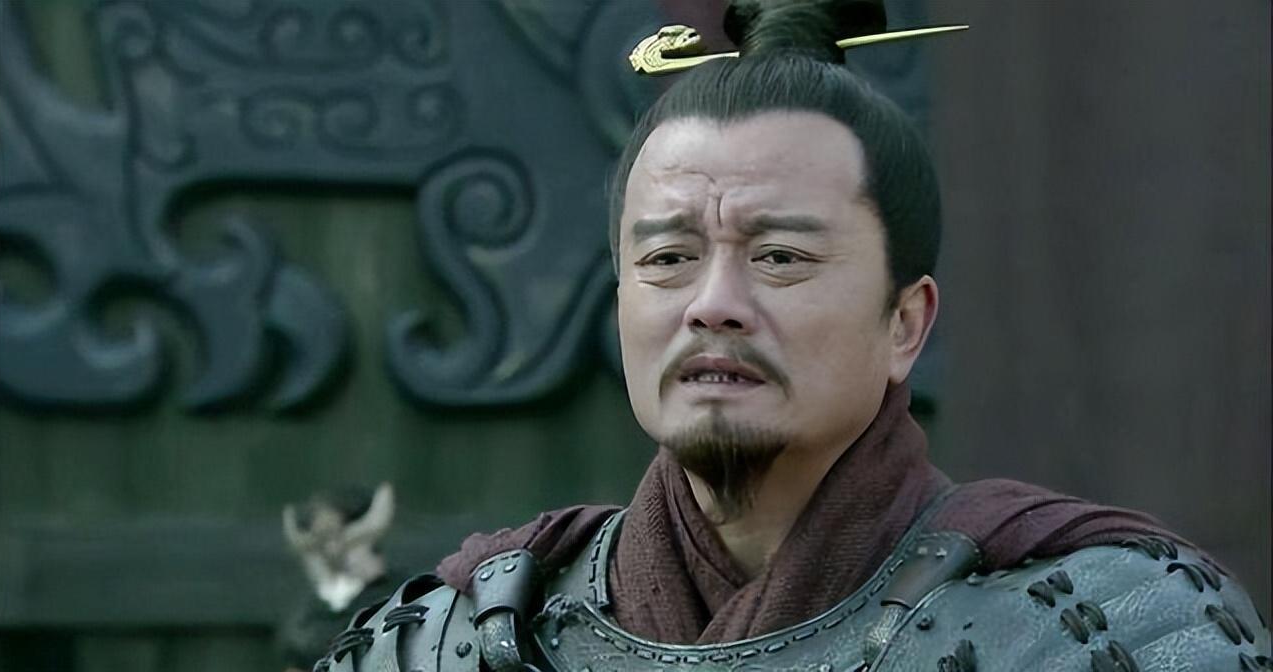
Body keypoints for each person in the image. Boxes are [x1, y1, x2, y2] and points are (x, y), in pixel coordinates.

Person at [313, 1, 1271, 670]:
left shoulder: (1106, 629)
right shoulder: (464, 638)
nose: (713, 303)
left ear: (906, 323)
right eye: (668, 258)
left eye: (779, 257)